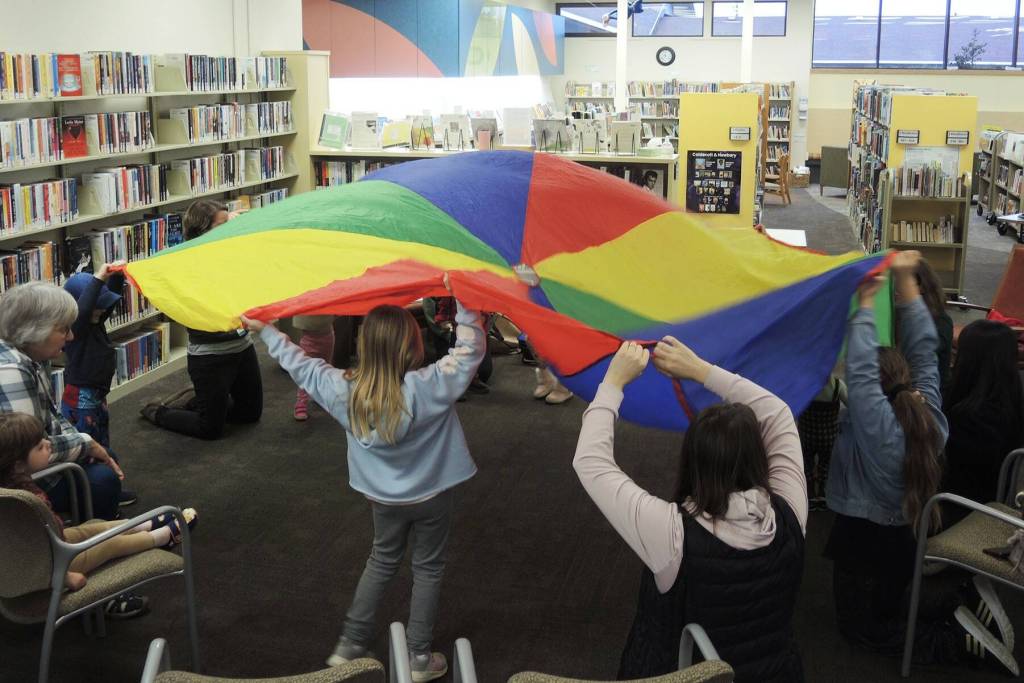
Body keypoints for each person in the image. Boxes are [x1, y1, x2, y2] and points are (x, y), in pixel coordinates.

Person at [241, 281, 484, 683]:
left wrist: (265, 329)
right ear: (413, 347)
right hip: (433, 494)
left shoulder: (342, 390)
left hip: (382, 499)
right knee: (427, 568)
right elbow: (470, 350)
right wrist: (465, 301)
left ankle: (351, 644)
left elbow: (299, 363)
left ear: (365, 345)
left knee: (382, 559)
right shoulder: (430, 385)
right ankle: (418, 658)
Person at [824, 251, 1015, 672]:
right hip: (903, 538)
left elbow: (864, 368)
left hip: (864, 543)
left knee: (860, 629)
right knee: (892, 602)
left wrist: (869, 300)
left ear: (868, 399)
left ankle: (958, 642)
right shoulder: (931, 417)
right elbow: (925, 353)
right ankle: (958, 598)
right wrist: (904, 283)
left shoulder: (879, 431)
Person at [573, 339, 807, 681]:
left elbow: (591, 463)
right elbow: (777, 412)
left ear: (693, 461)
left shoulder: (672, 537)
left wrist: (612, 383)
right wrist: (700, 370)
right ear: (761, 455)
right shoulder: (791, 513)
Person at [0, 412, 196, 592]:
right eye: (40, 446)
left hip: (51, 545)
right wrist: (65, 578)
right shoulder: (27, 502)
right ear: (18, 465)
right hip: (52, 563)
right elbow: (32, 551)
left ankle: (144, 524)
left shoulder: (11, 488)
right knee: (110, 544)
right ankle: (162, 537)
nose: (48, 443)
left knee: (92, 528)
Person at [140, 199, 263, 439]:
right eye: (221, 225)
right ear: (201, 231)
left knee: (249, 415)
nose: (228, 229)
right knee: (209, 429)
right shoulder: (189, 264)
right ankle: (159, 411)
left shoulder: (231, 253)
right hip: (210, 355)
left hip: (242, 347)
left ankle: (198, 399)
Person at [61, 262, 138, 507]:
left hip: (96, 395)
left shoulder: (96, 321)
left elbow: (109, 302)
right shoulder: (75, 329)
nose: (100, 311)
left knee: (102, 443)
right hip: (81, 398)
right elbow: (83, 311)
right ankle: (93, 494)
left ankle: (109, 487)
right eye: (96, 305)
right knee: (87, 447)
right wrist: (97, 280)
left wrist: (116, 276)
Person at [942, 319, 1024, 523]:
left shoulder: (971, 417)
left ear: (968, 360)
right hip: (994, 503)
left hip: (957, 511)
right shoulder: (1012, 398)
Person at [914, 258, 953, 395]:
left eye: (903, 284)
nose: (896, 290)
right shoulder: (902, 312)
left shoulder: (940, 322)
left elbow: (917, 357)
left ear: (922, 287)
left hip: (931, 393)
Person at [291, 315, 335, 421]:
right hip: (309, 336)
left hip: (327, 335)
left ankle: (320, 394)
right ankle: (302, 400)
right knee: (306, 371)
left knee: (325, 368)